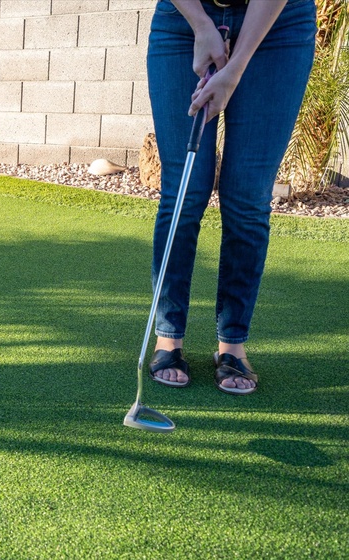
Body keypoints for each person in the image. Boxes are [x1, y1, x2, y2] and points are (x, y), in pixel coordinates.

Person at [145, 0, 316, 394]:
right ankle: (168, 338)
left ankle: (232, 345)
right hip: (182, 19)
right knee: (184, 191)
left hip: (276, 27)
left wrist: (235, 67)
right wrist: (202, 26)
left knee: (247, 198)